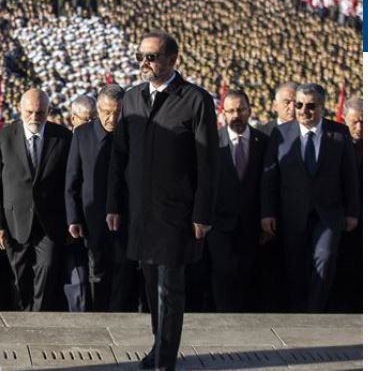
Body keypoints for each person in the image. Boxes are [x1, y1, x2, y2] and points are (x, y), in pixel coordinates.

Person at [107, 30, 217, 371]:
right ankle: (158, 347)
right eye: (140, 56)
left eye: (151, 57)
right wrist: (113, 204)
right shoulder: (132, 98)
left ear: (172, 60)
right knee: (150, 284)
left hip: (176, 211)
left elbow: (208, 162)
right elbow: (119, 156)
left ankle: (165, 360)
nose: (144, 62)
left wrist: (202, 213)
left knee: (170, 289)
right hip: (141, 211)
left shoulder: (195, 100)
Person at [260, 83, 359, 313]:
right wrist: (267, 213)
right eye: (299, 105)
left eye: (311, 106)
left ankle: (315, 311)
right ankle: (298, 312)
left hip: (329, 213)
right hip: (293, 214)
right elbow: (269, 178)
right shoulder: (280, 134)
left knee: (325, 257)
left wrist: (352, 212)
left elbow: (350, 176)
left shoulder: (339, 133)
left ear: (323, 107)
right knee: (295, 264)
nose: (304, 111)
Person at [0, 88, 85, 312]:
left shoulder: (63, 137)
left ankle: (38, 316)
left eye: (40, 113)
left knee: (47, 269)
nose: (34, 117)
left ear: (48, 111)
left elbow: (71, 181)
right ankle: (23, 312)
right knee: (19, 274)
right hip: (14, 222)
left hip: (50, 222)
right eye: (29, 112)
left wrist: (72, 219)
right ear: (20, 109)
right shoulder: (4, 137)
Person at [66, 84, 136, 312]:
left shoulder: (134, 135)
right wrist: (73, 218)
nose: (112, 118)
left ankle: (120, 316)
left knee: (125, 269)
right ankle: (99, 315)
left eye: (117, 112)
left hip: (127, 216)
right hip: (93, 218)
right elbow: (73, 178)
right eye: (106, 112)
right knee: (97, 271)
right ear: (98, 110)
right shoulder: (83, 135)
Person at [206, 90, 268, 312]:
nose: (236, 115)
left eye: (240, 110)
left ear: (250, 111)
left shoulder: (264, 142)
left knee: (247, 274)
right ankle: (225, 317)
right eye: (230, 111)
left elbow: (268, 183)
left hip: (252, 223)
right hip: (219, 222)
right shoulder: (212, 142)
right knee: (223, 272)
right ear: (223, 113)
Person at [331, 95, 362, 313]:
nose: (359, 127)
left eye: (364, 122)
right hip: (341, 217)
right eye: (354, 122)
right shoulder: (334, 144)